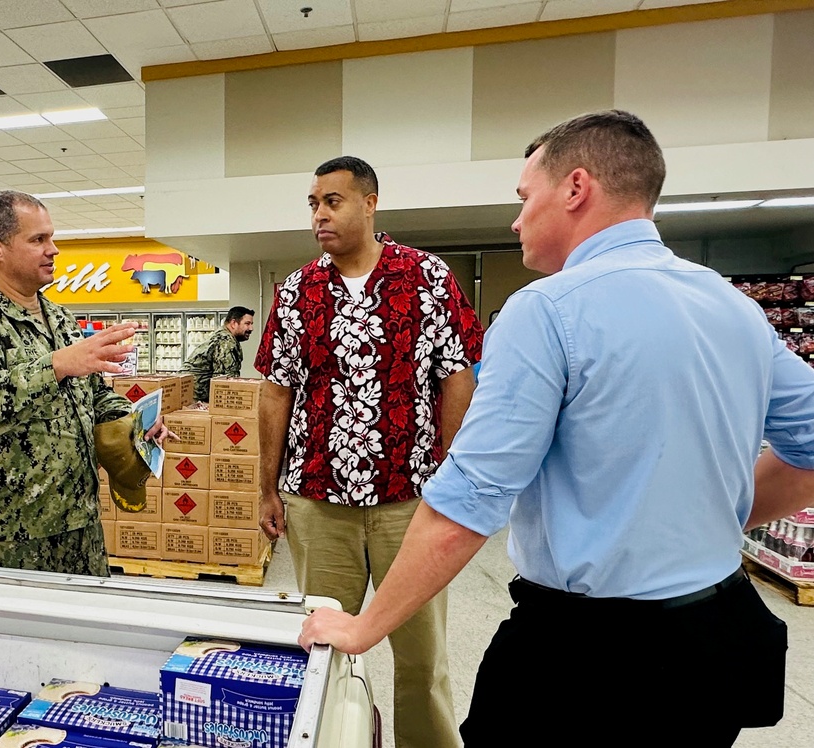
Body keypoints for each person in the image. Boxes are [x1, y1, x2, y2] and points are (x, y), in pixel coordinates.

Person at [299, 111, 814, 745]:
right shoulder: (733, 306)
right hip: (714, 642)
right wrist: (710, 513)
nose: (516, 220)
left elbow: (472, 498)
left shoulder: (546, 311)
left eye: (524, 197)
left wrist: (362, 628)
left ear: (575, 188)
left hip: (585, 656)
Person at [256, 156, 484, 748]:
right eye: (313, 203)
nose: (319, 214)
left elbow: (457, 374)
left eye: (332, 201)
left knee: (422, 654)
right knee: (320, 646)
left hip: (409, 500)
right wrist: (266, 486)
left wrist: (450, 468)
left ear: (370, 203)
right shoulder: (297, 290)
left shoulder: (425, 276)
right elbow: (276, 391)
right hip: (317, 499)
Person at [0, 190, 166, 577]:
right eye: (38, 239)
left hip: (81, 526)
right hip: (11, 539)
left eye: (51, 237)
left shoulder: (60, 318)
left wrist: (134, 423)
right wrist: (57, 364)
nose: (53, 249)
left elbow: (93, 395)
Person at [181, 306, 254, 402]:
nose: (251, 328)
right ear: (233, 323)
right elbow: (224, 382)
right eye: (247, 324)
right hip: (195, 398)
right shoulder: (226, 341)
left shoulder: (224, 335)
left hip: (188, 393)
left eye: (251, 324)